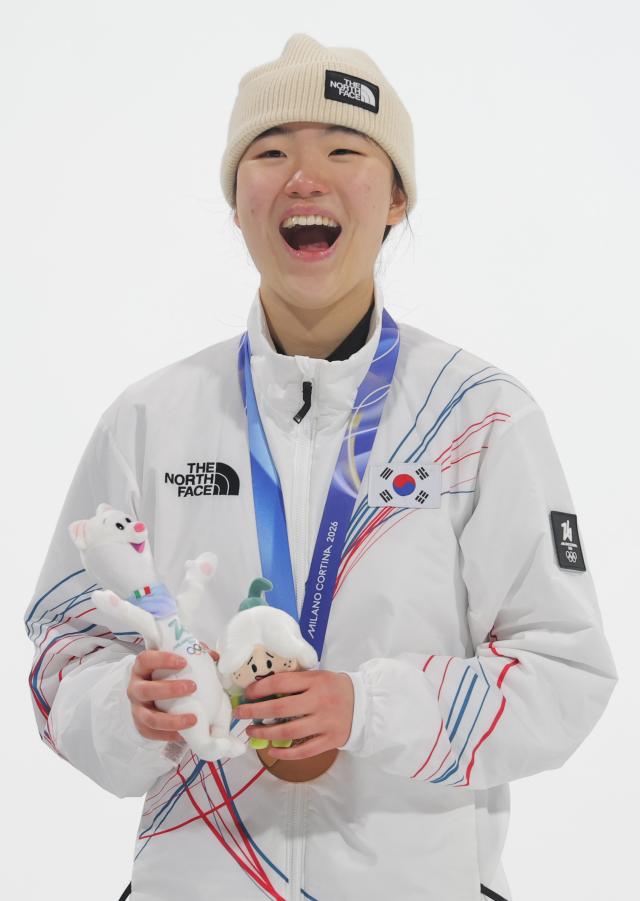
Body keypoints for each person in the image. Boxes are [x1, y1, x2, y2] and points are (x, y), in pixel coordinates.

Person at [24, 33, 617, 901]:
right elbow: (61, 651)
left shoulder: (482, 415)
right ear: (236, 201)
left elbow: (565, 671)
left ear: (397, 197)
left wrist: (365, 707)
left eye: (345, 149)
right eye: (270, 153)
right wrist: (126, 706)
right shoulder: (151, 417)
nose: (306, 177)